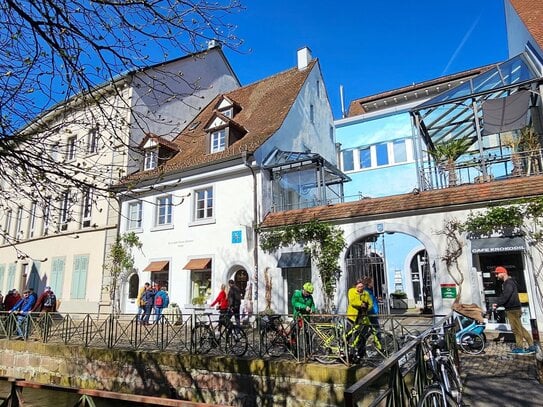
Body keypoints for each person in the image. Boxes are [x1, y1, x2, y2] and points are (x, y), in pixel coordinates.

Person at [492, 266, 535, 355]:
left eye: (497, 274)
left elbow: (506, 296)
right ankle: (532, 346)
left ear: (503, 273)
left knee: (516, 329)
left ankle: (520, 348)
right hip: (515, 308)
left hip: (512, 310)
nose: (496, 276)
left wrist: (497, 303)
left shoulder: (508, 283)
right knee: (521, 328)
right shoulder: (510, 282)